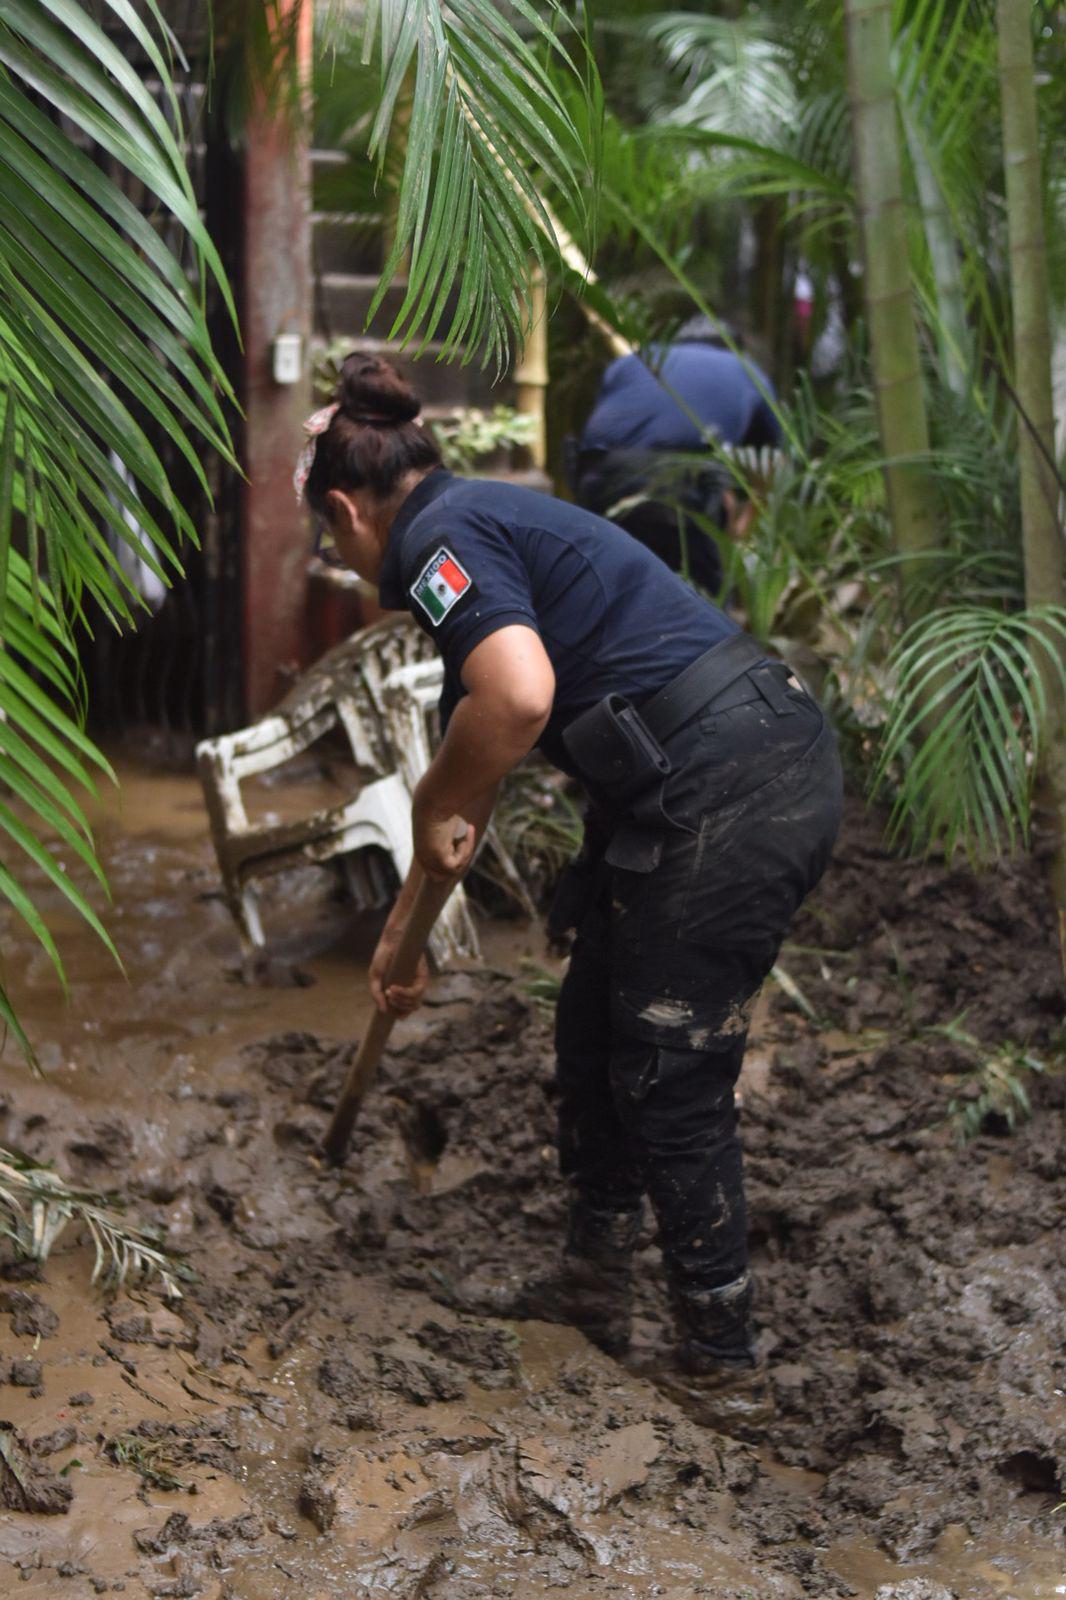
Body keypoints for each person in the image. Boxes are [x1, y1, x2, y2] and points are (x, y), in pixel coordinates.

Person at [297, 351, 842, 1436]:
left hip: (732, 778)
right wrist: (403, 939)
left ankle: (721, 1364)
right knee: (593, 1015)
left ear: (350, 511)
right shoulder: (474, 520)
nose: (337, 554)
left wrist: (428, 799)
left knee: (667, 1057)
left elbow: (515, 698)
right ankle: (594, 1279)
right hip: (691, 778)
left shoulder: (432, 548)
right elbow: (472, 795)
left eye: (327, 534)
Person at [572, 316, 783, 595]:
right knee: (705, 596)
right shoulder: (747, 371)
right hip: (681, 488)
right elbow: (771, 463)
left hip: (599, 478)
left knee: (604, 582)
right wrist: (745, 525)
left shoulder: (635, 360)